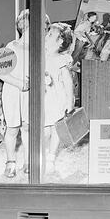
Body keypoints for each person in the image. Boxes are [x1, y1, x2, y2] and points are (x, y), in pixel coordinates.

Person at [0, 9, 30, 178]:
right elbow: (2, 72)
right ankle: (11, 161)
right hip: (13, 91)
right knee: (12, 128)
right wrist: (19, 83)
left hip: (29, 92)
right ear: (23, 26)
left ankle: (28, 160)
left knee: (27, 127)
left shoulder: (39, 49)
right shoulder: (12, 46)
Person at [43, 22, 75, 176]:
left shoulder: (62, 59)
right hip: (43, 100)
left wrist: (70, 101)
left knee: (56, 129)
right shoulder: (40, 56)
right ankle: (42, 154)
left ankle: (51, 157)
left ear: (60, 42)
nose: (46, 36)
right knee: (44, 130)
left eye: (50, 35)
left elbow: (68, 82)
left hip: (57, 99)